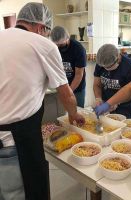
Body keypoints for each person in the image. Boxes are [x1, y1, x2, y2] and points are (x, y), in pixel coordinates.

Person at [0, 2, 84, 200]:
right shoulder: (42, 44)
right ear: (41, 27)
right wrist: (74, 114)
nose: (47, 36)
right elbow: (66, 93)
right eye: (47, 32)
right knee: (21, 193)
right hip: (15, 140)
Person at [93, 44, 131, 118]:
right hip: (105, 104)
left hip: (124, 107)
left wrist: (116, 102)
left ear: (118, 58)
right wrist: (98, 99)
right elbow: (97, 84)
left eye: (108, 67)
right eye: (104, 67)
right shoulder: (101, 63)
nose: (105, 68)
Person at [50, 26, 87, 107]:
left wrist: (69, 92)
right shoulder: (54, 48)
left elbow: (79, 75)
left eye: (61, 44)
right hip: (61, 86)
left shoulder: (79, 49)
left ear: (68, 38)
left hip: (77, 88)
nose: (59, 47)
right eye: (57, 45)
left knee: (78, 111)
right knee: (63, 113)